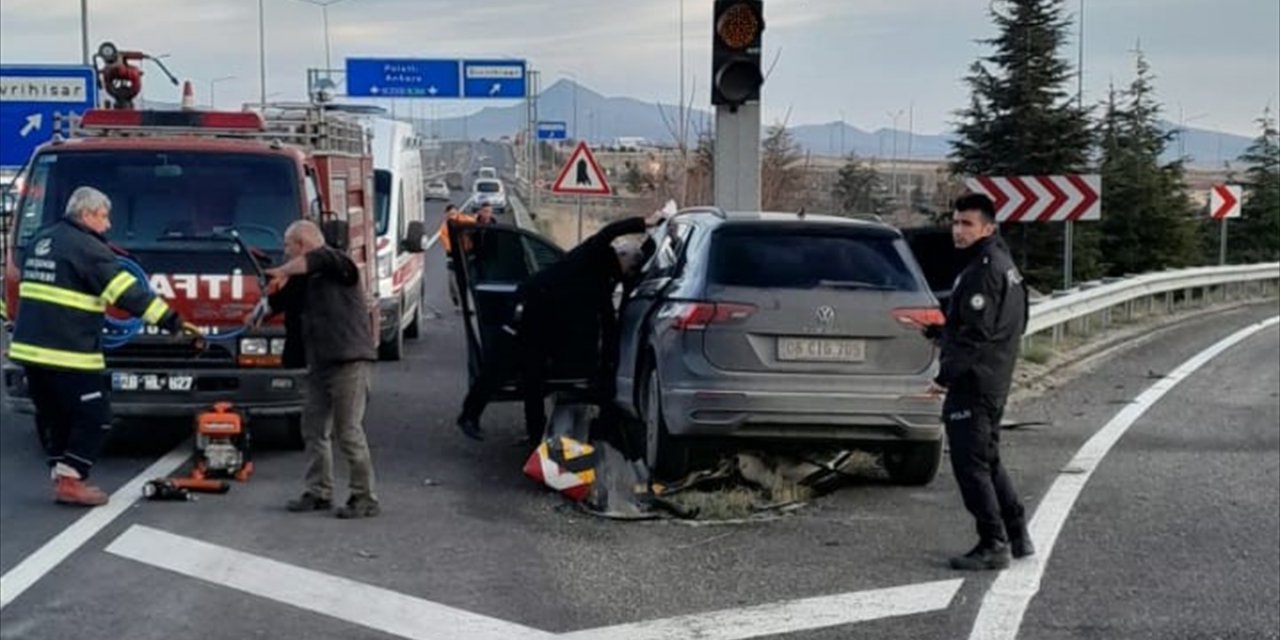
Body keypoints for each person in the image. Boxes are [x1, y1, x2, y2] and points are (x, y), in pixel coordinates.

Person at [10, 186, 193, 507]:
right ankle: (72, 480)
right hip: (69, 352)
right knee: (95, 417)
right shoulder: (88, 248)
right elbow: (127, 294)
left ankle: (63, 476)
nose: (108, 225)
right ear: (87, 214)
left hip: (29, 350)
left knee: (55, 417)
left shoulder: (42, 239)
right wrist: (173, 321)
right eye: (104, 217)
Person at [455, 211, 663, 443]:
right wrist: (643, 222)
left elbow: (608, 321)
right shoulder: (595, 253)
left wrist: (608, 367)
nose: (630, 274)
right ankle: (469, 416)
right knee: (501, 364)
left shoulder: (606, 281)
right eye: (631, 268)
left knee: (534, 378)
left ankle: (535, 435)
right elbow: (609, 232)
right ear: (622, 256)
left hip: (549, 323)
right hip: (529, 308)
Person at [925, 193, 1032, 571]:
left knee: (971, 465)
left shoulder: (982, 270)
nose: (958, 230)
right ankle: (1017, 534)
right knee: (988, 458)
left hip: (975, 381)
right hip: (994, 377)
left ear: (988, 227)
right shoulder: (1003, 265)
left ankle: (993, 542)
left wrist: (944, 377)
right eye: (955, 222)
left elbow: (975, 334)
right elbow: (1014, 320)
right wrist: (937, 332)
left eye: (967, 224)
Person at [264, 220, 380, 519]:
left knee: (348, 431)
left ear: (302, 243)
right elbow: (280, 304)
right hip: (319, 362)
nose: (285, 252)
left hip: (349, 361)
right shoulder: (305, 280)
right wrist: (261, 307)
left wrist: (284, 271)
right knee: (314, 429)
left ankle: (364, 497)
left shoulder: (338, 263)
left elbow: (320, 258)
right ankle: (319, 492)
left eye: (288, 246)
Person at [439, 203, 494, 307]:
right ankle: (456, 300)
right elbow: (448, 245)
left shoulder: (464, 220)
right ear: (446, 215)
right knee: (452, 282)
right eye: (450, 214)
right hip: (453, 257)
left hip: (467, 254)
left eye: (454, 213)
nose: (453, 216)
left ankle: (467, 304)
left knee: (467, 280)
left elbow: (475, 223)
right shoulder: (444, 228)